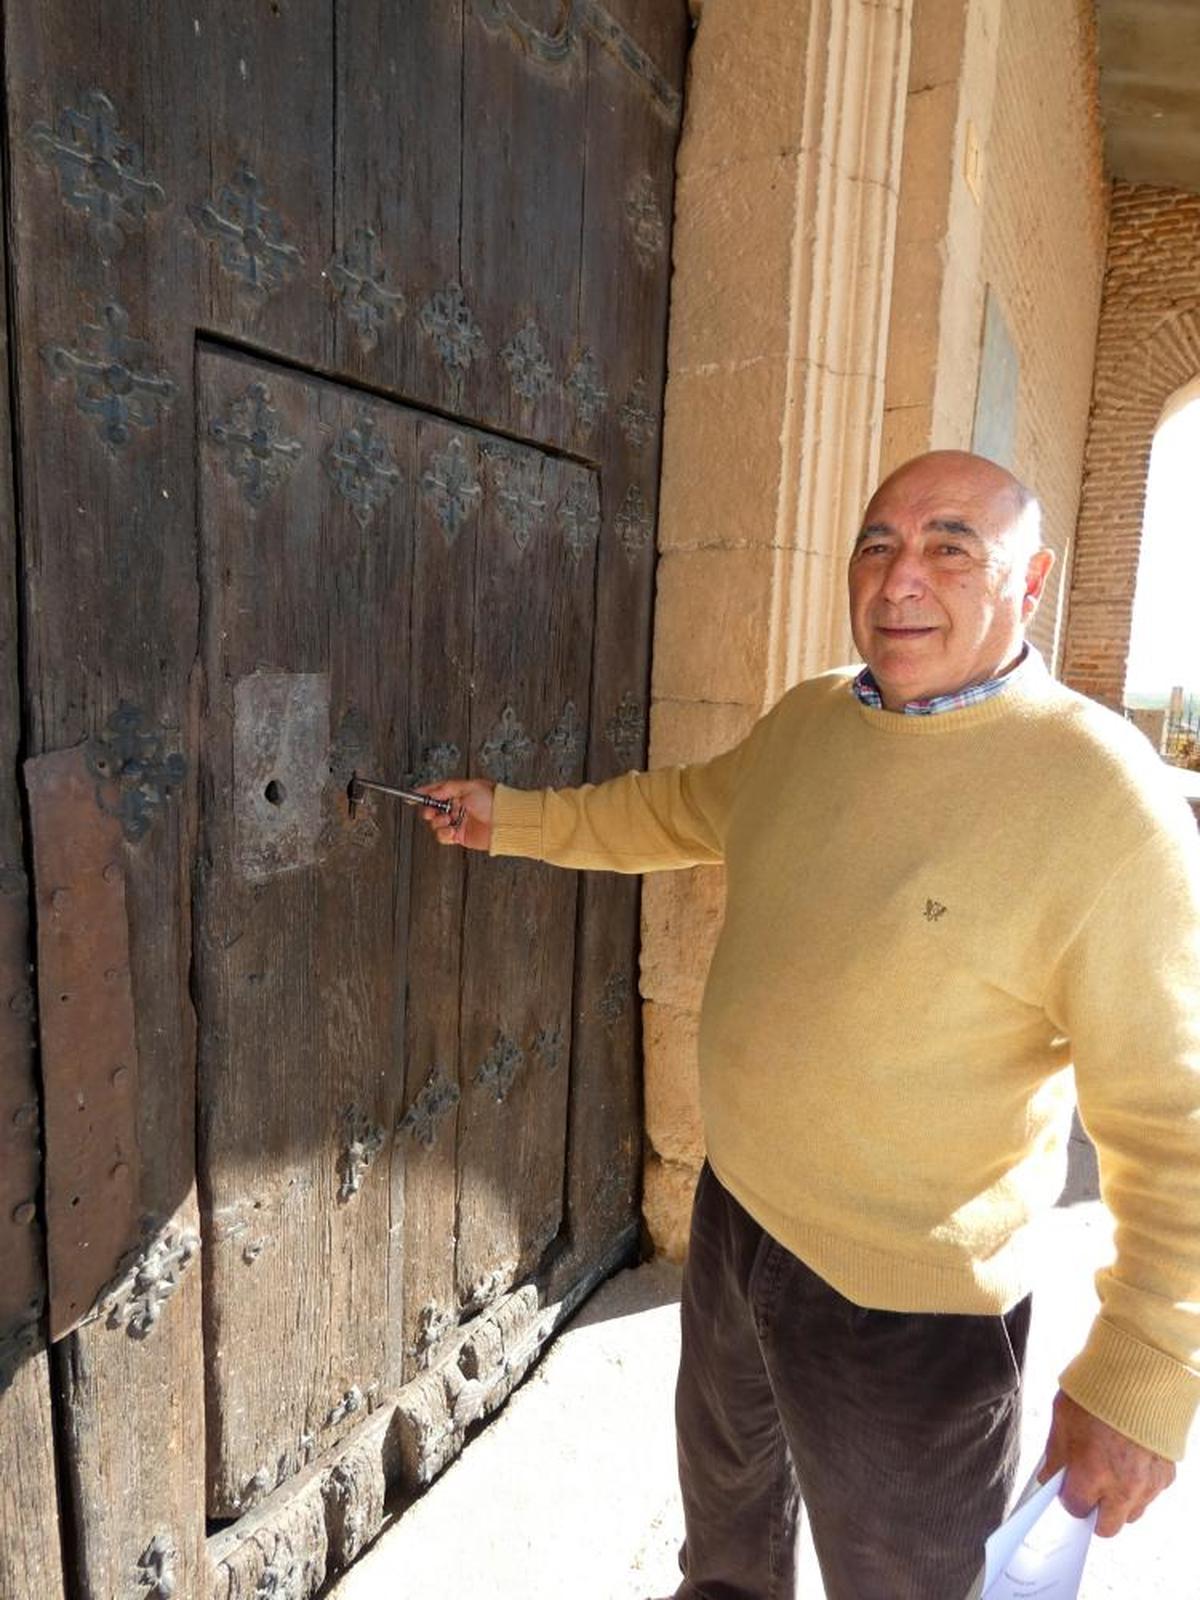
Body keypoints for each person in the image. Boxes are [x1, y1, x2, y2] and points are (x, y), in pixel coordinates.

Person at [416, 450, 1200, 1599]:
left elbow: (1177, 1121)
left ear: (1028, 582)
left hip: (912, 1313)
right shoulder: (813, 720)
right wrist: (513, 820)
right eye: (876, 543)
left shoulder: (1104, 800)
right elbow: (676, 808)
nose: (899, 579)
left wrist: (1142, 1373)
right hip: (736, 1229)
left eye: (949, 546)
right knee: (726, 1555)